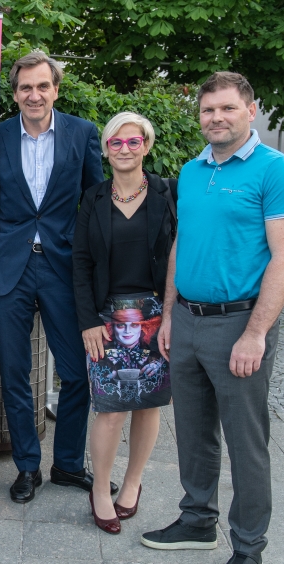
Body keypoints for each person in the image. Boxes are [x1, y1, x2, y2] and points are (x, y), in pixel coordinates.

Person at [141, 72, 284, 564]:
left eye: (227, 108)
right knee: (192, 431)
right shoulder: (192, 172)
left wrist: (256, 333)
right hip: (188, 321)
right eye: (208, 109)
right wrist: (170, 313)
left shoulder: (277, 171)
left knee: (246, 441)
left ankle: (249, 547)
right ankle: (197, 520)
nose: (216, 117)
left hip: (240, 324)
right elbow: (182, 245)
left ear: (251, 111)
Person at [0, 51, 112, 504]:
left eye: (43, 86)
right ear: (15, 93)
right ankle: (27, 467)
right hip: (10, 268)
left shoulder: (82, 133)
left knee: (78, 373)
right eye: (25, 87)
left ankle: (67, 464)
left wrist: (99, 268)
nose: (34, 94)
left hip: (64, 268)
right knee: (14, 373)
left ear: (56, 90)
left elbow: (94, 202)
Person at [73, 111, 176, 534]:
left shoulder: (168, 194)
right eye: (116, 142)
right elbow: (80, 264)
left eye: (133, 141)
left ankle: (132, 483)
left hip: (156, 313)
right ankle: (101, 489)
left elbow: (180, 254)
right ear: (106, 150)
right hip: (107, 317)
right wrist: (87, 321)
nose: (125, 149)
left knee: (148, 405)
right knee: (111, 408)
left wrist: (171, 315)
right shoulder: (93, 198)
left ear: (146, 146)